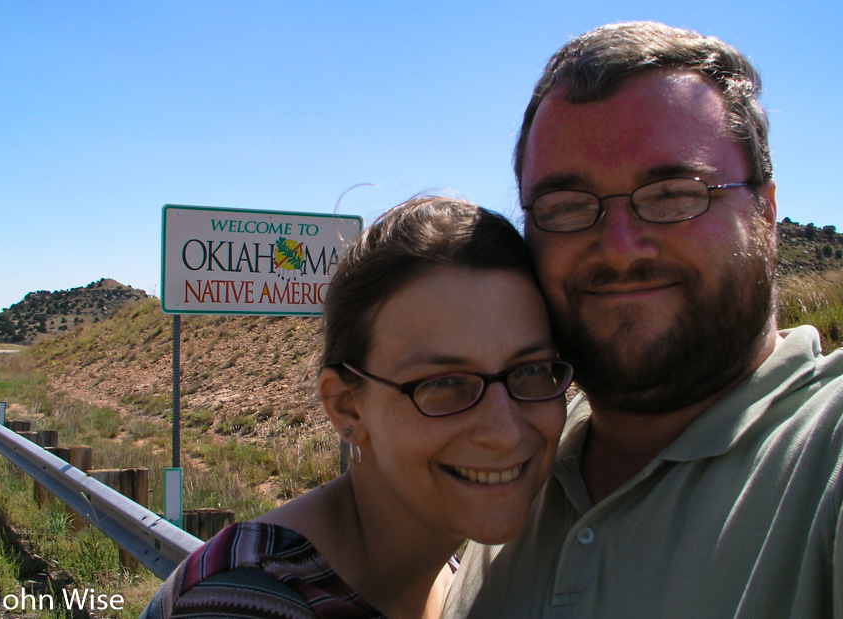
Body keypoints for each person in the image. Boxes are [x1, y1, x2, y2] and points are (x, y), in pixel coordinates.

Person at [443, 21, 843, 618]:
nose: (618, 247)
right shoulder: (515, 452)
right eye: (566, 207)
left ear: (765, 214)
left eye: (672, 193)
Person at [141, 196, 572, 619]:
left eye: (531, 371)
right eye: (444, 384)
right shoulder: (243, 603)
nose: (505, 431)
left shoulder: (452, 578)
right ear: (347, 407)